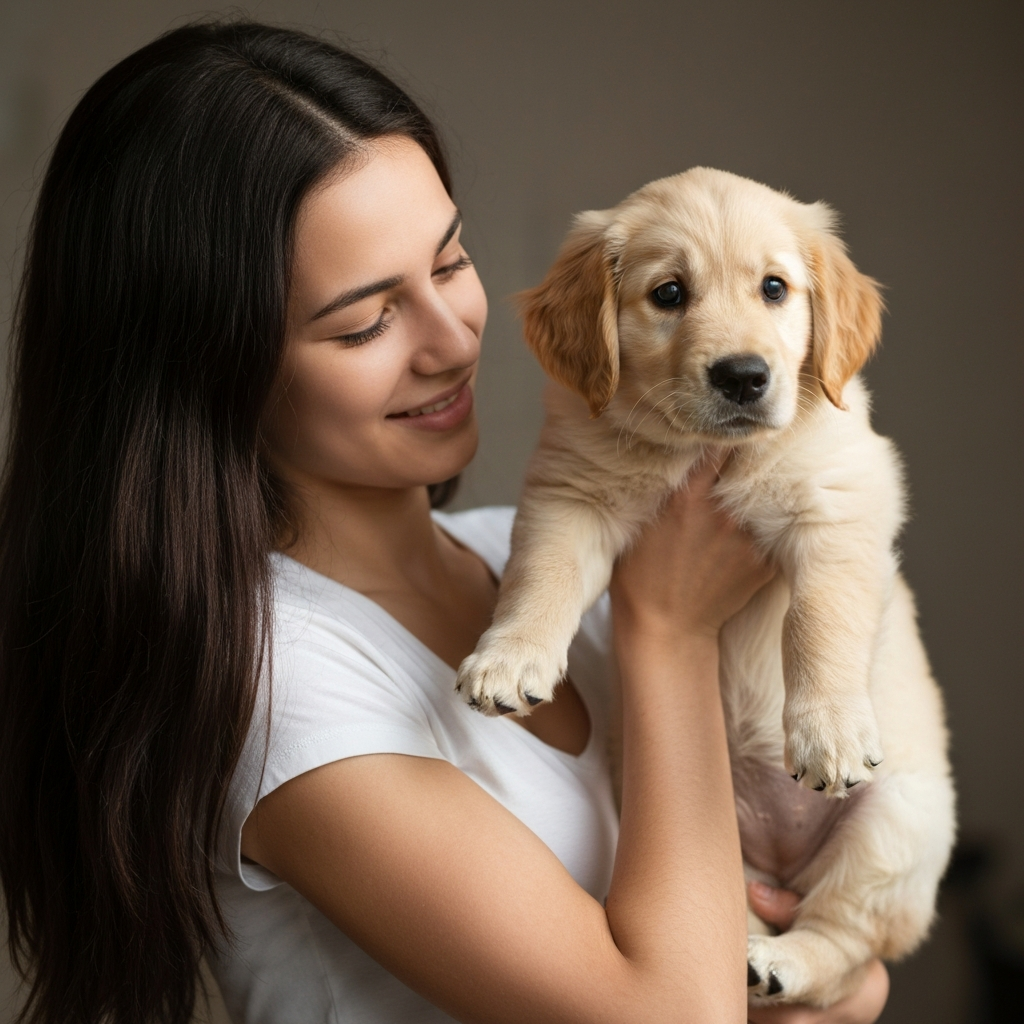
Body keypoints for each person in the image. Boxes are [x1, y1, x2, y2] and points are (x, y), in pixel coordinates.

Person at [0, 21, 889, 1024]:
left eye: (450, 259)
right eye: (363, 322)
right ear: (204, 369)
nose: (450, 340)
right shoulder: (273, 685)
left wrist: (834, 971)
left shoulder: (525, 553)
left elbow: (824, 967)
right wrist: (667, 630)